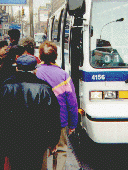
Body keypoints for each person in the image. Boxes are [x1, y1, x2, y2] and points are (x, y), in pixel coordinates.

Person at [0, 54, 61, 169]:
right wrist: (53, 141)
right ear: (35, 69)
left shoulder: (6, 86)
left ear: (16, 68)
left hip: (11, 140)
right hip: (37, 141)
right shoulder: (44, 88)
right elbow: (53, 117)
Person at [36, 41, 78, 170]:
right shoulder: (64, 75)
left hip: (40, 121)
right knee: (60, 151)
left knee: (41, 150)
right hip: (60, 120)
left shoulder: (35, 73)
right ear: (56, 56)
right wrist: (73, 124)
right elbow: (72, 103)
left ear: (40, 56)